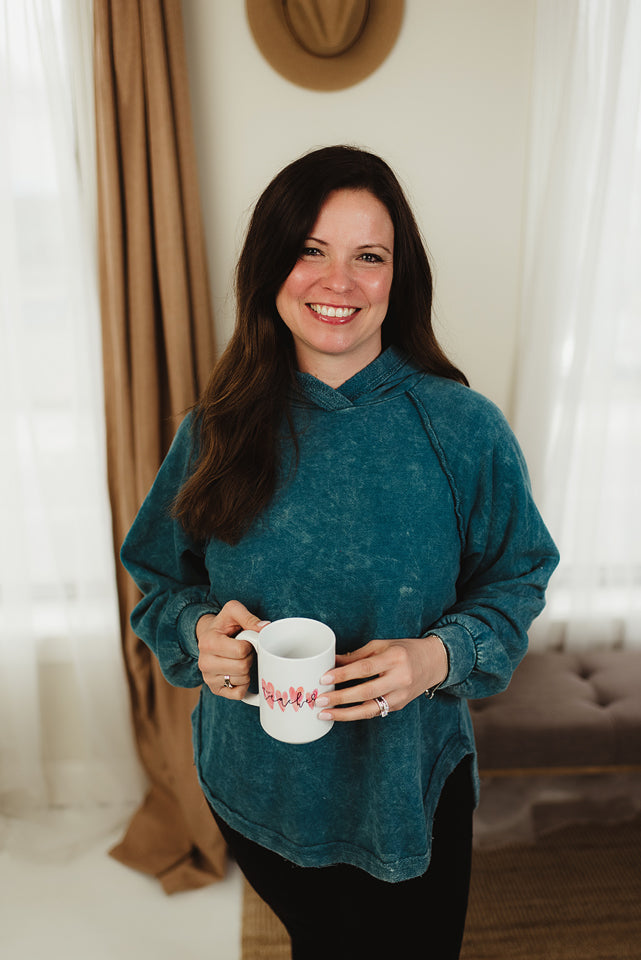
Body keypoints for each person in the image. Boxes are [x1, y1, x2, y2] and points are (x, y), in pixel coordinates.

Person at [121, 145, 559, 959]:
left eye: (369, 256)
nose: (339, 281)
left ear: (399, 276)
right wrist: (196, 633)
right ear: (270, 266)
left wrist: (437, 656)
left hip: (409, 790)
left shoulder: (463, 429)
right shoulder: (214, 430)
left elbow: (517, 579)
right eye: (311, 250)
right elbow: (158, 579)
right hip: (256, 785)